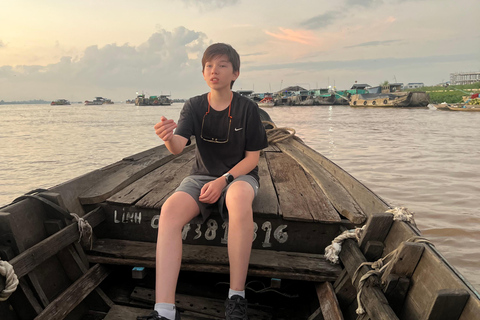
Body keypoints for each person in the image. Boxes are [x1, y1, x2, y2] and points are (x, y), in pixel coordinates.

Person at [138, 43, 268, 320]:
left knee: (238, 199)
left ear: (235, 73)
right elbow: (177, 147)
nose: (214, 71)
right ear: (203, 72)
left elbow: (252, 159)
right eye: (209, 65)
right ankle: (164, 310)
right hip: (200, 176)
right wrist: (166, 137)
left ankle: (236, 296)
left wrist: (223, 181)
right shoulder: (194, 106)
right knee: (170, 211)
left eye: (222, 65)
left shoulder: (248, 108)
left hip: (239, 175)